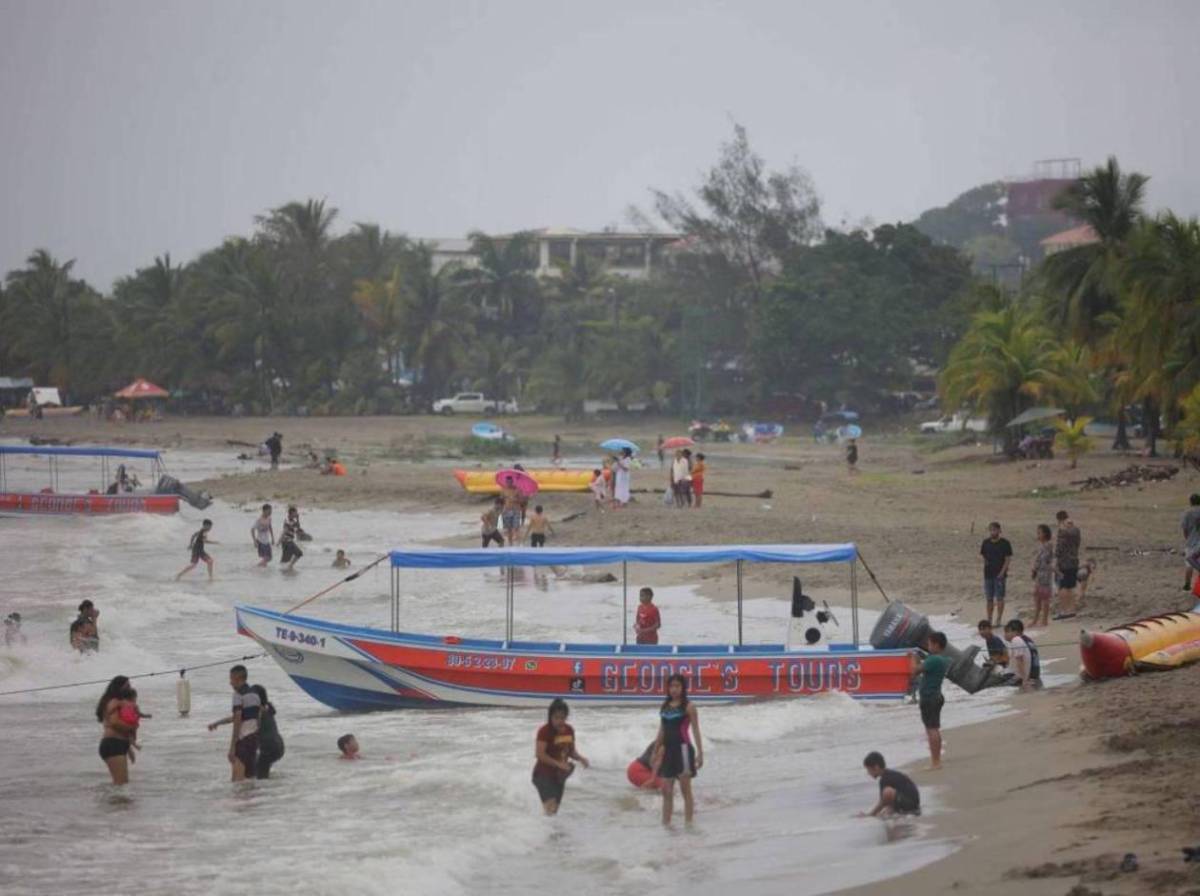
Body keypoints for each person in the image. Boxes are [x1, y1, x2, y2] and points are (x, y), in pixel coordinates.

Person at [654, 673, 703, 825]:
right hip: (668, 751)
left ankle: (689, 824)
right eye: (671, 686)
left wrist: (700, 753)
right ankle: (666, 824)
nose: (674, 689)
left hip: (683, 750)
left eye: (677, 686)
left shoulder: (689, 706)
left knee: (685, 790)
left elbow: (695, 730)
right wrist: (655, 751)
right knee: (666, 790)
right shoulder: (665, 707)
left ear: (683, 688)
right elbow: (661, 730)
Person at [532, 698, 588, 815]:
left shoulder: (569, 730)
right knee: (551, 808)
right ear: (550, 717)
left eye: (562, 718)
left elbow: (571, 751)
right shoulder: (544, 731)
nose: (559, 721)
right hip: (543, 775)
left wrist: (581, 758)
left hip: (559, 776)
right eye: (556, 718)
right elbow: (539, 754)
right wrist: (559, 764)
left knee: (553, 812)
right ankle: (540, 831)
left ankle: (550, 832)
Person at [208, 664, 260, 781]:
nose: (230, 683)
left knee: (237, 782)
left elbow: (237, 720)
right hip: (254, 740)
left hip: (243, 740)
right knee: (249, 780)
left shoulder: (238, 695)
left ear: (238, 679)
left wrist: (232, 747)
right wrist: (218, 723)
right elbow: (248, 717)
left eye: (231, 679)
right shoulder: (255, 694)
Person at [913, 631, 948, 770]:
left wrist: (913, 658)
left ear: (936, 645)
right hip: (936, 696)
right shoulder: (940, 659)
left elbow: (915, 671)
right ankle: (936, 759)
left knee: (931, 729)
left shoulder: (933, 660)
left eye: (929, 644)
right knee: (934, 728)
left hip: (930, 697)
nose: (928, 646)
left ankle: (936, 762)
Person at [96, 676, 138, 785]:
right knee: (121, 783)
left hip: (117, 743)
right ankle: (111, 800)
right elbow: (115, 722)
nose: (130, 688)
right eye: (127, 686)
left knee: (121, 783)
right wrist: (132, 727)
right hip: (113, 744)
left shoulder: (116, 702)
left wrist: (128, 748)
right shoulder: (114, 701)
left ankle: (113, 801)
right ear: (118, 687)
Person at [860, 752, 921, 817]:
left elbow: (882, 802)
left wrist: (870, 814)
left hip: (911, 804)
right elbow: (885, 803)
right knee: (886, 808)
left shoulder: (886, 778)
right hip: (909, 802)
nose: (868, 773)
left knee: (887, 792)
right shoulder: (887, 775)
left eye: (868, 769)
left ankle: (873, 815)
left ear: (876, 767)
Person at [980, 522, 1013, 627]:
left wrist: (1002, 572)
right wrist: (986, 564)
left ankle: (998, 619)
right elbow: (984, 555)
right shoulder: (985, 542)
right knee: (989, 598)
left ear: (999, 530)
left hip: (1000, 574)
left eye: (995, 530)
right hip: (988, 574)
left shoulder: (1005, 543)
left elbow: (1007, 559)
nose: (993, 532)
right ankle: (989, 619)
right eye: (991, 530)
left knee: (999, 597)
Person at [251, 685, 284, 778]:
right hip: (278, 745)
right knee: (258, 769)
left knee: (260, 778)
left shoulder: (258, 711)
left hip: (269, 748)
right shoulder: (268, 706)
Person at [1054, 510, 1082, 619]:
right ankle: (1072, 610)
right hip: (1074, 560)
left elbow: (1059, 548)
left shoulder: (1063, 531)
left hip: (1064, 562)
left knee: (1063, 587)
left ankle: (1064, 611)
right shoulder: (1076, 530)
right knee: (1071, 586)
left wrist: (1055, 561)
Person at [1004, 619, 1042, 691]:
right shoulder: (1028, 640)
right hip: (1035, 676)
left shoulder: (1016, 640)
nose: (1005, 635)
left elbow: (1020, 661)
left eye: (1007, 632)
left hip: (1027, 679)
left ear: (1015, 632)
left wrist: (1025, 681)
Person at [1032, 523, 1054, 628]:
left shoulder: (1048, 545)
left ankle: (1044, 620)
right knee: (1037, 597)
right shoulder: (1041, 546)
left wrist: (1035, 567)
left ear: (1045, 534)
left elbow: (1045, 560)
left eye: (1039, 533)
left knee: (1044, 597)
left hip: (1045, 574)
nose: (1037, 535)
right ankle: (1036, 619)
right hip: (1039, 574)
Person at [1183, 494, 1200, 591]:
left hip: (1191, 542)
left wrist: (1187, 539)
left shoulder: (1187, 513)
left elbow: (1185, 529)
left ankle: (1187, 584)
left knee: (1189, 564)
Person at [279, 506, 303, 571]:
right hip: (287, 541)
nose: (297, 513)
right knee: (299, 553)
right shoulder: (287, 520)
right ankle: (289, 567)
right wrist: (279, 541)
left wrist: (298, 518)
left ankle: (285, 569)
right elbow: (285, 530)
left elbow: (297, 528)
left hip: (288, 541)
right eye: (296, 512)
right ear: (292, 513)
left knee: (285, 559)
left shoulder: (293, 520)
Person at [500, 479, 522, 546]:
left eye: (510, 482)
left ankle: (518, 543)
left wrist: (515, 499)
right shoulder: (503, 490)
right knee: (508, 528)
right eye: (507, 482)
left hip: (516, 510)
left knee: (516, 527)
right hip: (507, 510)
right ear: (506, 482)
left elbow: (521, 500)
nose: (509, 484)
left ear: (512, 482)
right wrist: (501, 510)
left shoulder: (517, 490)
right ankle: (510, 544)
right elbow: (501, 500)